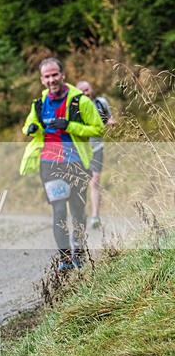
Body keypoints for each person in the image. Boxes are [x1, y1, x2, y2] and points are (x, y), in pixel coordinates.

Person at [20, 58, 105, 270]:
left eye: (54, 75)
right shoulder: (39, 104)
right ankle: (65, 260)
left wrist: (70, 126)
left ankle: (79, 250)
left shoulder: (80, 102)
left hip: (76, 163)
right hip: (50, 164)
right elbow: (29, 124)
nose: (51, 80)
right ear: (42, 79)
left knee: (77, 212)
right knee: (59, 211)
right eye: (47, 76)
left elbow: (98, 129)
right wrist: (31, 128)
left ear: (63, 75)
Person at [75, 80, 116, 229]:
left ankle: (95, 216)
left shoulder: (100, 103)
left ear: (91, 89)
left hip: (97, 147)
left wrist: (111, 122)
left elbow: (109, 117)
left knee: (95, 180)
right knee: (80, 182)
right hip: (80, 149)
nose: (86, 93)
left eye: (88, 89)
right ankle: (79, 213)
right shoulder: (75, 108)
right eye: (83, 91)